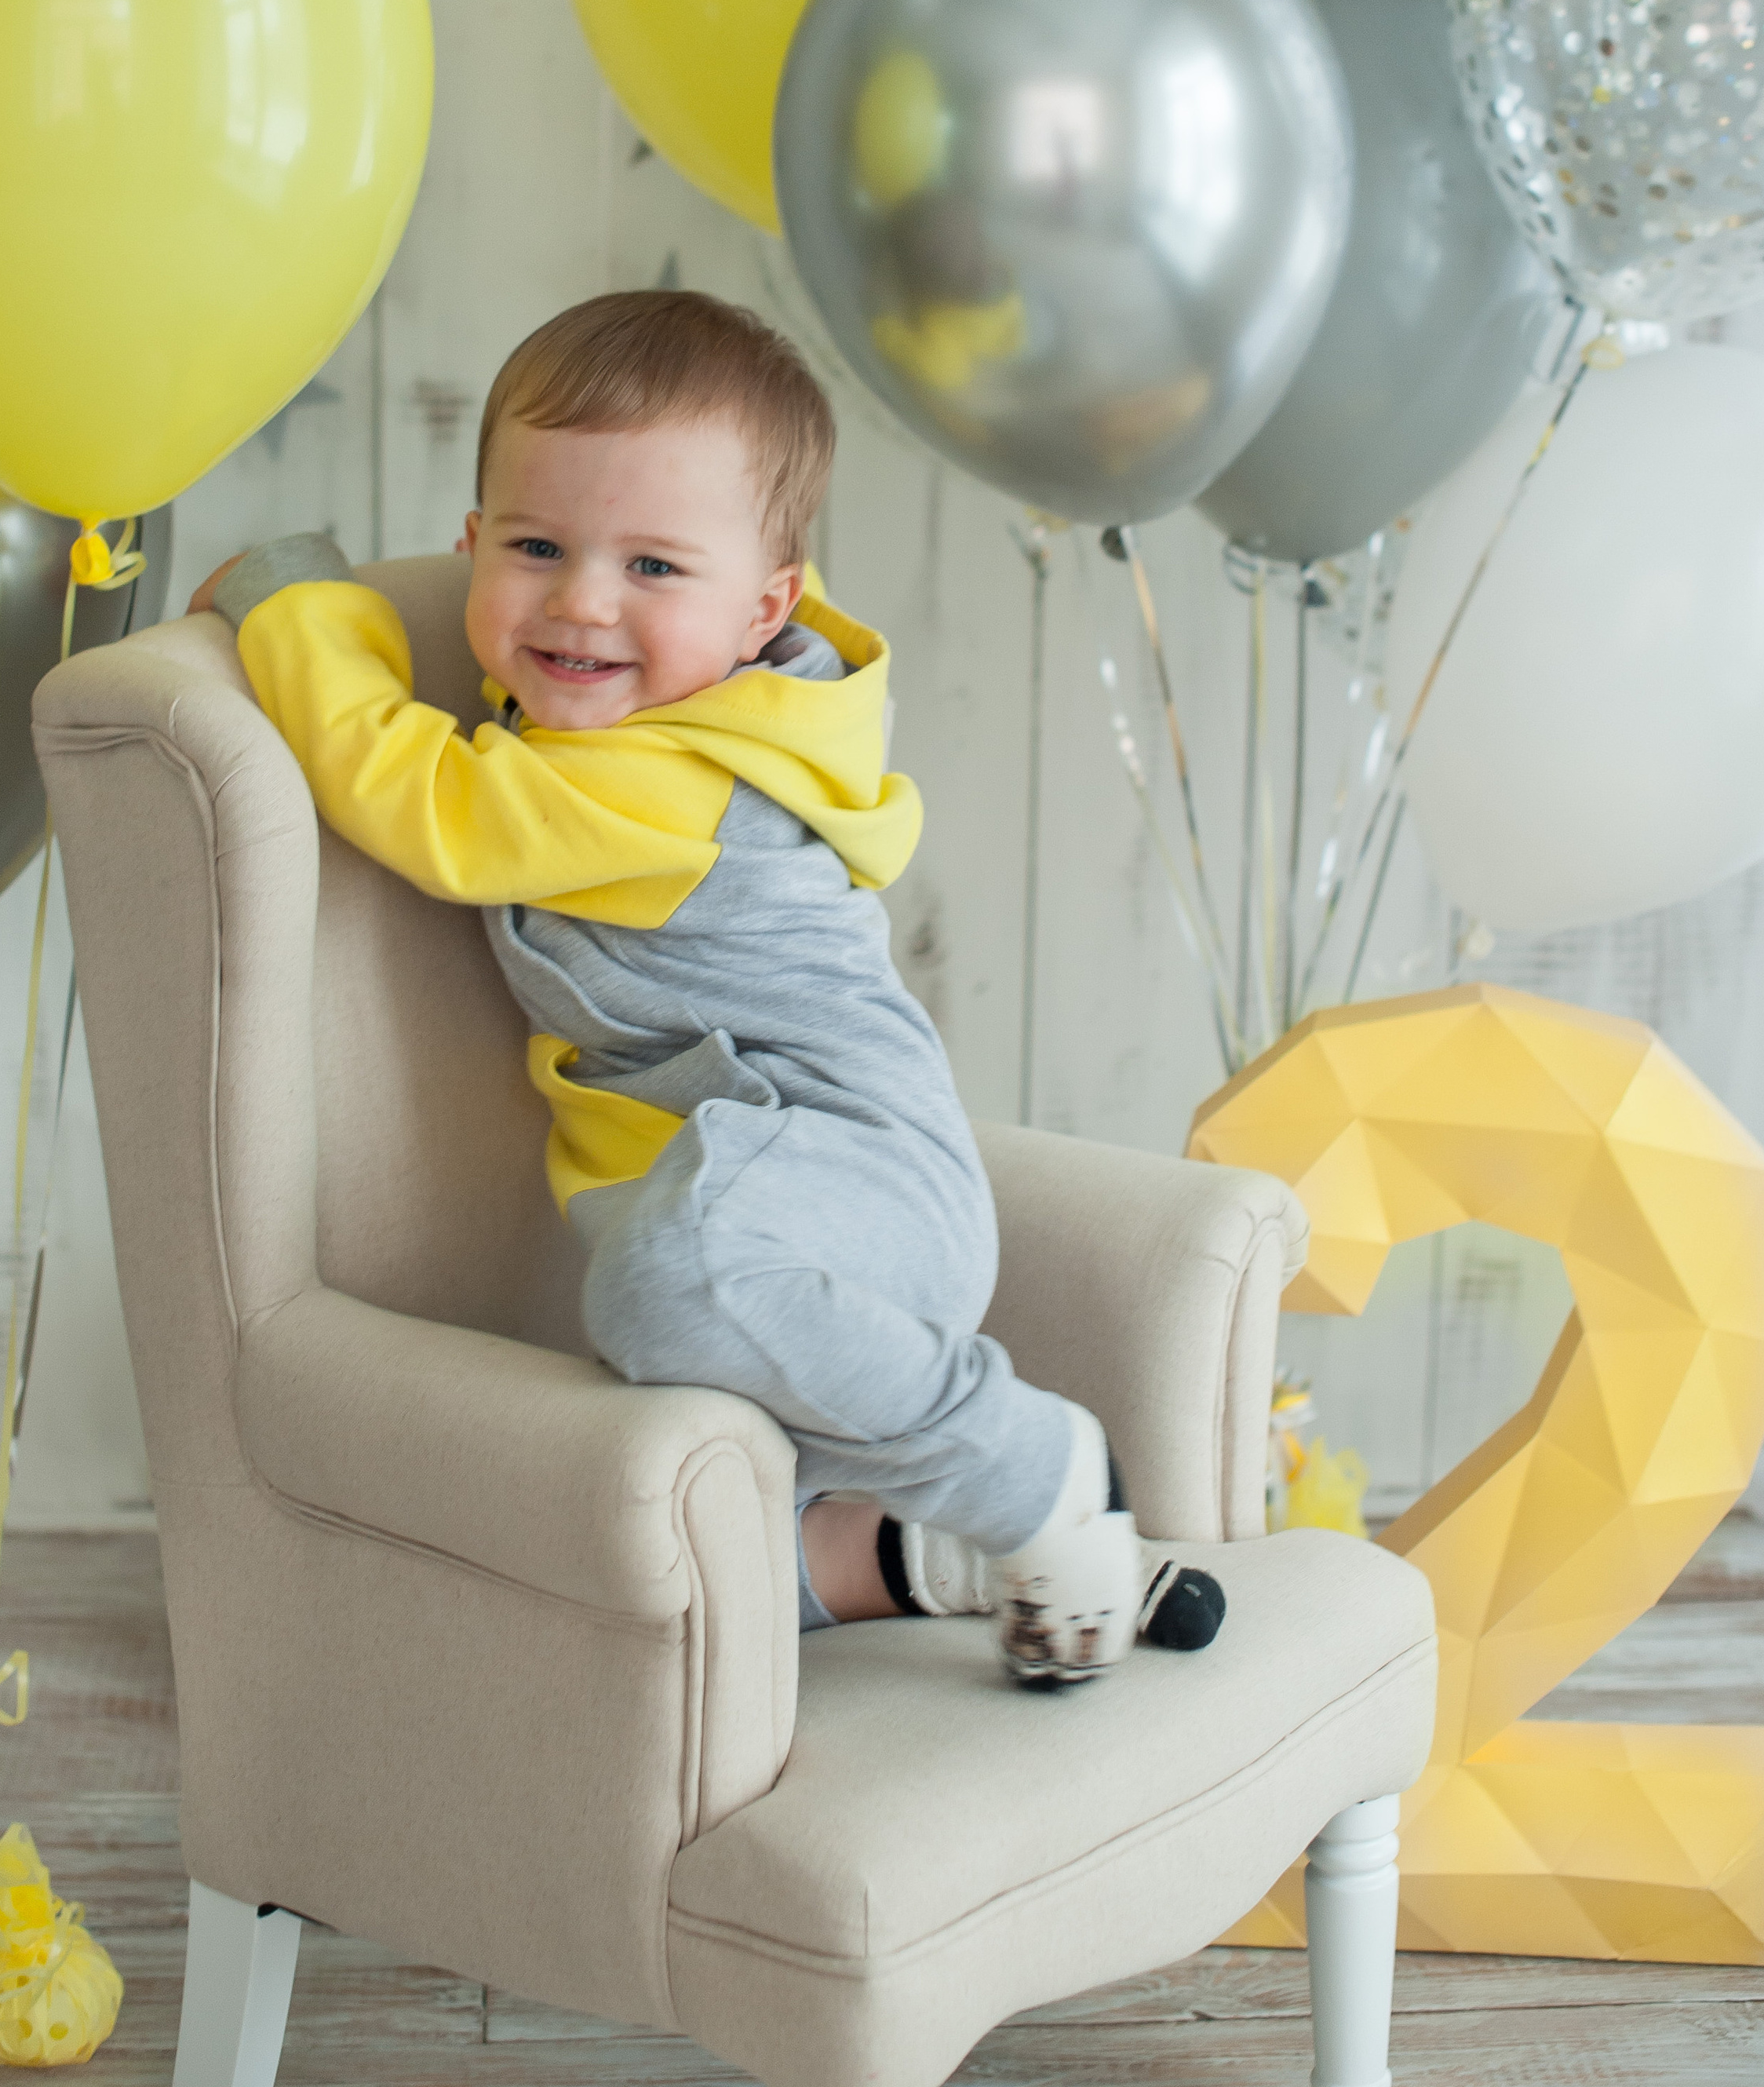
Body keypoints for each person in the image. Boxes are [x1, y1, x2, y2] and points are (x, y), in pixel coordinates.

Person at [190, 290, 1222, 1684]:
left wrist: (293, 599)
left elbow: (417, 792)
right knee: (693, 1566)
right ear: (473, 543)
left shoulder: (665, 781)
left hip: (841, 1175)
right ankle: (919, 1559)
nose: (582, 601)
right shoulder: (676, 709)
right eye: (538, 547)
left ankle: (1035, 1469)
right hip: (791, 1196)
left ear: (765, 609)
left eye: (654, 568)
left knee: (662, 1287)